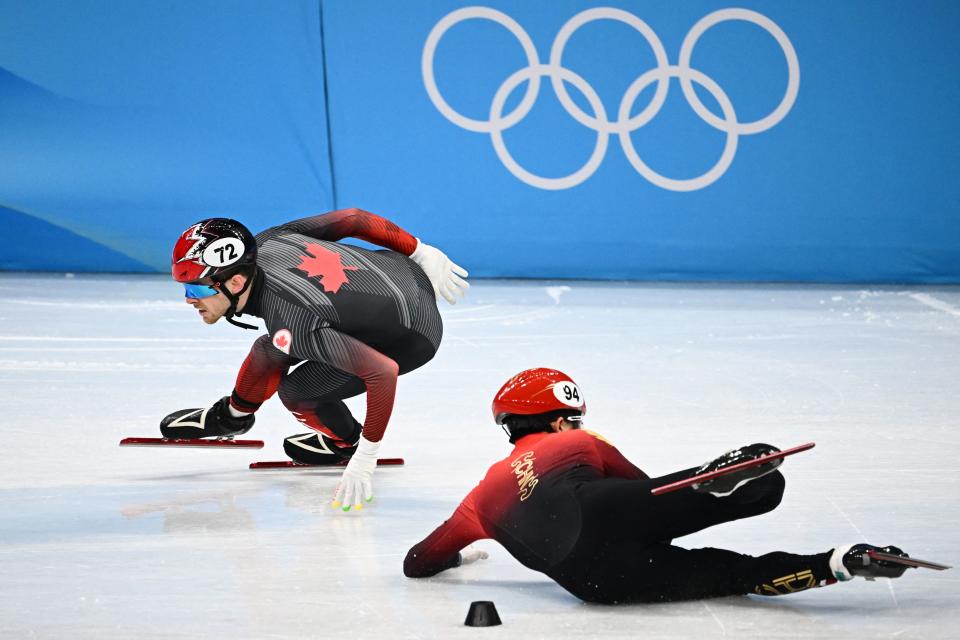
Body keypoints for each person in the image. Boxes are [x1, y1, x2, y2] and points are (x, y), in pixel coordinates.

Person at [403, 367, 916, 603]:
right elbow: (644, 488)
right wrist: (686, 497)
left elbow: (417, 562)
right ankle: (712, 488)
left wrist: (455, 556)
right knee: (762, 489)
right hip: (605, 509)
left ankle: (835, 564)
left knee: (733, 575)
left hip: (593, 583)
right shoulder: (576, 444)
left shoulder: (477, 500)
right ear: (561, 422)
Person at [162, 208, 468, 511]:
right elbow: (354, 218)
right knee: (271, 348)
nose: (189, 299)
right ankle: (233, 417)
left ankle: (347, 443)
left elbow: (382, 371)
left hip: (412, 336)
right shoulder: (269, 240)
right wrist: (418, 250)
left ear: (237, 283)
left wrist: (366, 456)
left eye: (196, 287)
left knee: (298, 391)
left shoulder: (291, 320)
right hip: (405, 273)